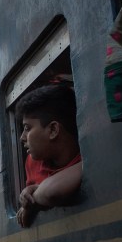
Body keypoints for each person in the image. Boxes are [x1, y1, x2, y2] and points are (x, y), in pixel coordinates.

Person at [15, 84, 82, 228]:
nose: (22, 137)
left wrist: (34, 199)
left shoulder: (87, 154)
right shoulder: (32, 163)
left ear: (53, 130)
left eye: (27, 128)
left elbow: (52, 192)